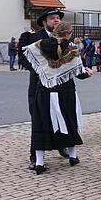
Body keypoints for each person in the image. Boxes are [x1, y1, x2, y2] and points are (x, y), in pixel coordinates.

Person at [23, 21, 93, 174]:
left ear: (55, 31)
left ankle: (40, 162)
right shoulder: (72, 48)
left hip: (44, 90)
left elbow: (29, 58)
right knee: (69, 120)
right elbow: (79, 72)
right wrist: (87, 73)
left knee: (41, 123)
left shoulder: (39, 45)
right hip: (65, 91)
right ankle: (73, 156)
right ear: (68, 33)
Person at [19, 11, 70, 169]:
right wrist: (41, 69)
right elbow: (23, 58)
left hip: (60, 86)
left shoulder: (65, 39)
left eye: (58, 18)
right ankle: (35, 156)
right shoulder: (31, 37)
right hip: (39, 85)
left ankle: (62, 145)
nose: (56, 20)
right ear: (44, 22)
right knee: (38, 119)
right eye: (52, 18)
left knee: (61, 115)